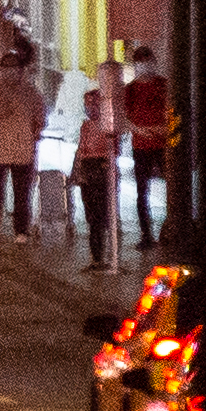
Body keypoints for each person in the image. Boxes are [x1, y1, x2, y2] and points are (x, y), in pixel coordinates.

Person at [0, 29, 47, 239]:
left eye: (15, 69)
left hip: (23, 151)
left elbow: (41, 118)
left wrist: (35, 132)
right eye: (6, 69)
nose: (10, 73)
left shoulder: (31, 93)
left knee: (22, 195)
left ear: (21, 71)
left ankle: (21, 231)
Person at [64, 66, 125, 269]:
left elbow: (114, 147)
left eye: (93, 104)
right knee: (93, 216)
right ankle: (97, 257)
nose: (90, 108)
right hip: (89, 168)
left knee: (106, 215)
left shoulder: (110, 119)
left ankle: (109, 256)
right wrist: (77, 170)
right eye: (87, 104)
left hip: (103, 167)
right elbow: (81, 149)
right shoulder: (86, 126)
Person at [121, 58, 181, 238]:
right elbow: (124, 116)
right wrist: (138, 129)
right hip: (141, 144)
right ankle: (146, 233)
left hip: (162, 144)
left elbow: (174, 111)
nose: (144, 67)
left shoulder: (162, 85)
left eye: (147, 63)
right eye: (140, 63)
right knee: (142, 190)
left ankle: (173, 226)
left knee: (173, 186)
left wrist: (167, 130)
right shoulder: (130, 89)